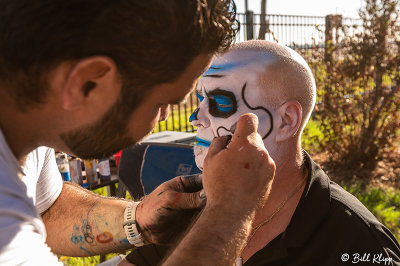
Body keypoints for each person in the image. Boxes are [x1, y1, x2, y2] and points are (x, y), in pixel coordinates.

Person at [0, 1, 276, 265]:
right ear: (88, 83)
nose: (168, 116)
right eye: (162, 103)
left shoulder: (27, 123)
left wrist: (137, 220)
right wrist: (230, 213)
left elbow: (45, 209)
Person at [128, 40, 400, 265]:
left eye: (220, 102)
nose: (195, 118)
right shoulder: (193, 206)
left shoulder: (356, 244)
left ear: (286, 121)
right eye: (200, 101)